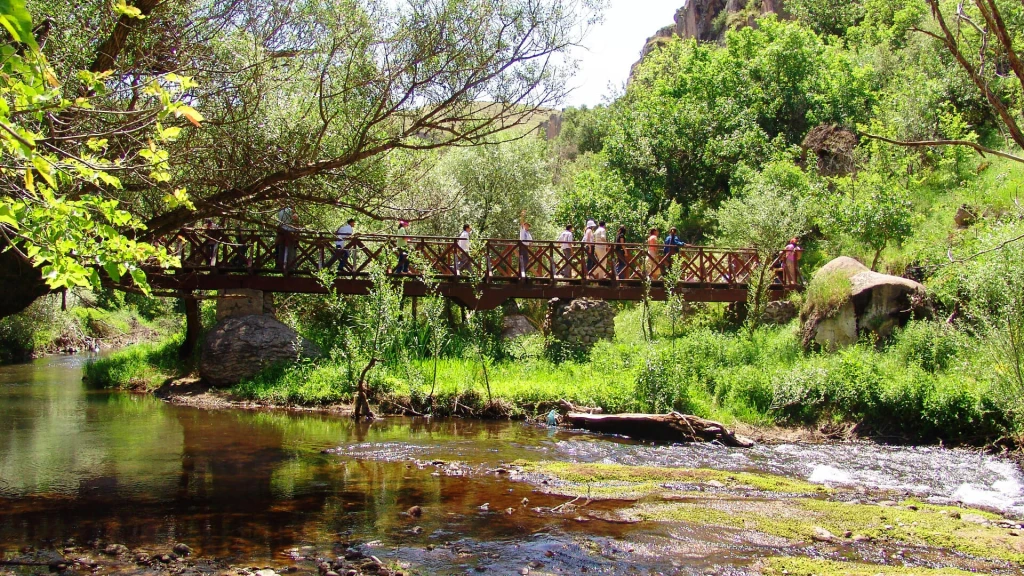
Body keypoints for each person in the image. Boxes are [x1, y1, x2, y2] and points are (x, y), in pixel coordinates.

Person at [275, 206, 297, 270]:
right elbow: (295, 219)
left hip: (281, 232)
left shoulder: (280, 211)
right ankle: (291, 266)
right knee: (290, 250)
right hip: (290, 233)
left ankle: (280, 265)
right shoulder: (291, 211)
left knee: (281, 249)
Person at [519, 212, 533, 278]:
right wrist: (522, 216)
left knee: (526, 260)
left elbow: (530, 241)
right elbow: (521, 222)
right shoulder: (522, 230)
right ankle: (521, 273)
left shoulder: (528, 233)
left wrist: (530, 248)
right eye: (526, 225)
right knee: (522, 259)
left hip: (526, 247)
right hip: (522, 245)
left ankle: (523, 272)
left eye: (528, 226)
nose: (527, 226)